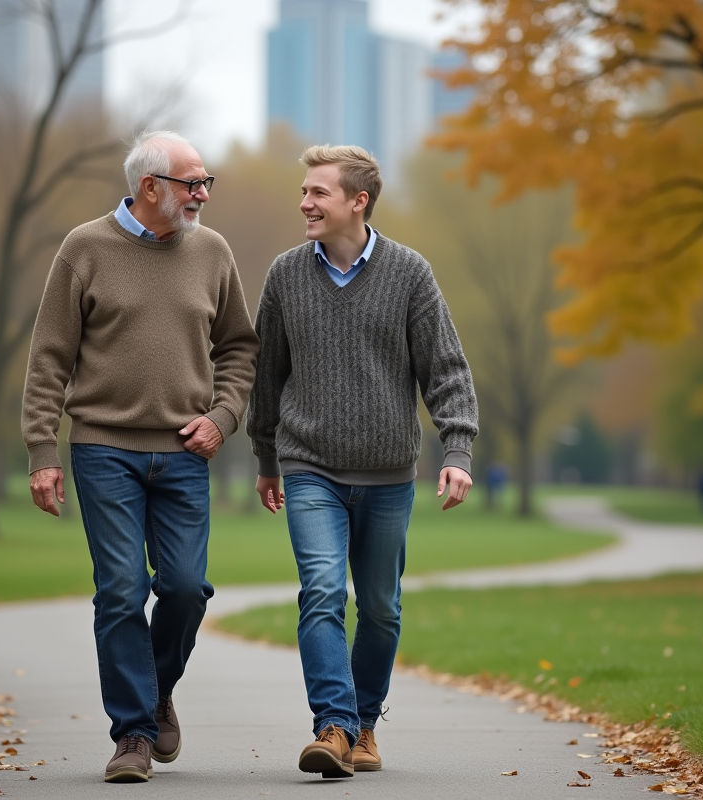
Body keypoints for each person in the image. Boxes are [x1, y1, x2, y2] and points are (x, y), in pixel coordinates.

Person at [21, 130, 259, 783]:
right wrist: (43, 449)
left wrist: (224, 416)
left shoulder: (212, 252)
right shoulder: (85, 249)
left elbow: (240, 347)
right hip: (104, 447)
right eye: (193, 183)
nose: (204, 194)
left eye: (207, 182)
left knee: (184, 588)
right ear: (150, 187)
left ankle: (156, 691)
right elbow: (49, 360)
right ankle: (131, 735)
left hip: (186, 451)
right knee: (120, 590)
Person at [247, 145, 479, 779]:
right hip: (309, 466)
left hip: (387, 477)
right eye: (303, 191)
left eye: (318, 193)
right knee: (321, 591)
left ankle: (365, 725)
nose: (305, 202)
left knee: (380, 607)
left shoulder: (410, 273)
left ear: (358, 201)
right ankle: (333, 726)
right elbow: (267, 377)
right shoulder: (285, 275)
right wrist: (267, 457)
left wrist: (457, 448)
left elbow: (447, 369)